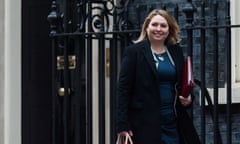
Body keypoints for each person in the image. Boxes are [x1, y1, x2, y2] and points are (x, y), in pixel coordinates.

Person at [116, 9, 201, 144]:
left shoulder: (176, 51)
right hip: (144, 125)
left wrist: (189, 98)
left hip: (173, 121)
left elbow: (181, 84)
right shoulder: (134, 52)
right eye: (154, 24)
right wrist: (123, 125)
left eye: (163, 25)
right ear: (147, 27)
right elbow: (123, 89)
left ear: (169, 29)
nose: (158, 29)